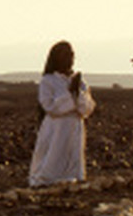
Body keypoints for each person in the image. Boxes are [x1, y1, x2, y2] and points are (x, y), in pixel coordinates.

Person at [28, 40, 95, 187]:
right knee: (54, 156)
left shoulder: (79, 81)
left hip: (75, 124)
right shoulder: (48, 80)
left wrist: (78, 94)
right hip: (56, 127)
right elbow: (49, 106)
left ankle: (73, 176)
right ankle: (47, 179)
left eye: (71, 55)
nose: (69, 59)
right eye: (64, 55)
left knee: (73, 154)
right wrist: (70, 94)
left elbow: (88, 107)